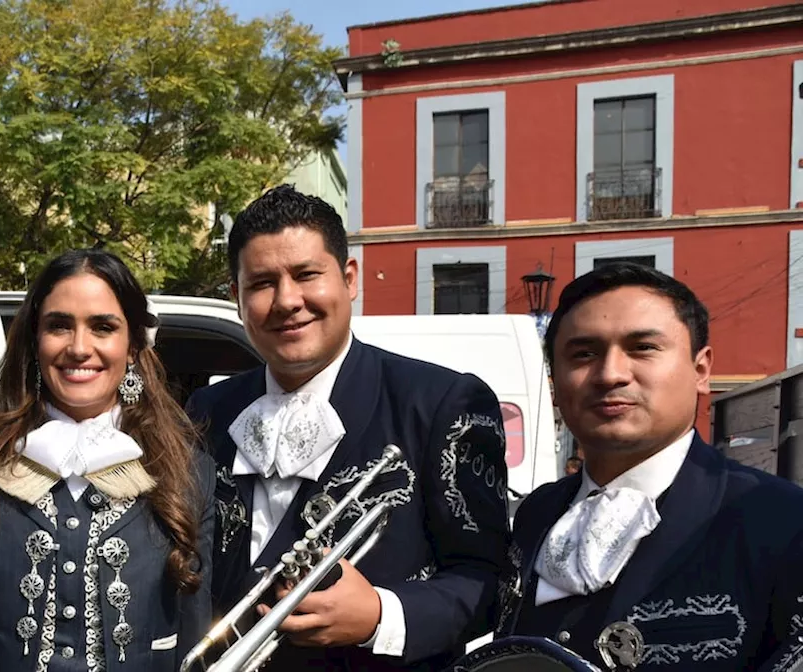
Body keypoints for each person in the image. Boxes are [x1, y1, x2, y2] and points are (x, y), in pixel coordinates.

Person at [184, 185, 511, 671]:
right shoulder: (209, 408)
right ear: (236, 297)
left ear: (349, 278)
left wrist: (383, 615)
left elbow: (492, 584)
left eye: (306, 275)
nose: (287, 300)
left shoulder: (442, 402)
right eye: (262, 283)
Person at [496, 263, 803, 671]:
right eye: (583, 354)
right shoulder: (535, 514)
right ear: (555, 384)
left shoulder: (783, 521)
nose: (610, 374)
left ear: (701, 369)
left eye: (642, 348)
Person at [0, 249, 216, 672]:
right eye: (59, 326)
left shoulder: (188, 470)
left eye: (103, 327)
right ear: (35, 340)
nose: (80, 348)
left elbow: (195, 640)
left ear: (132, 346)